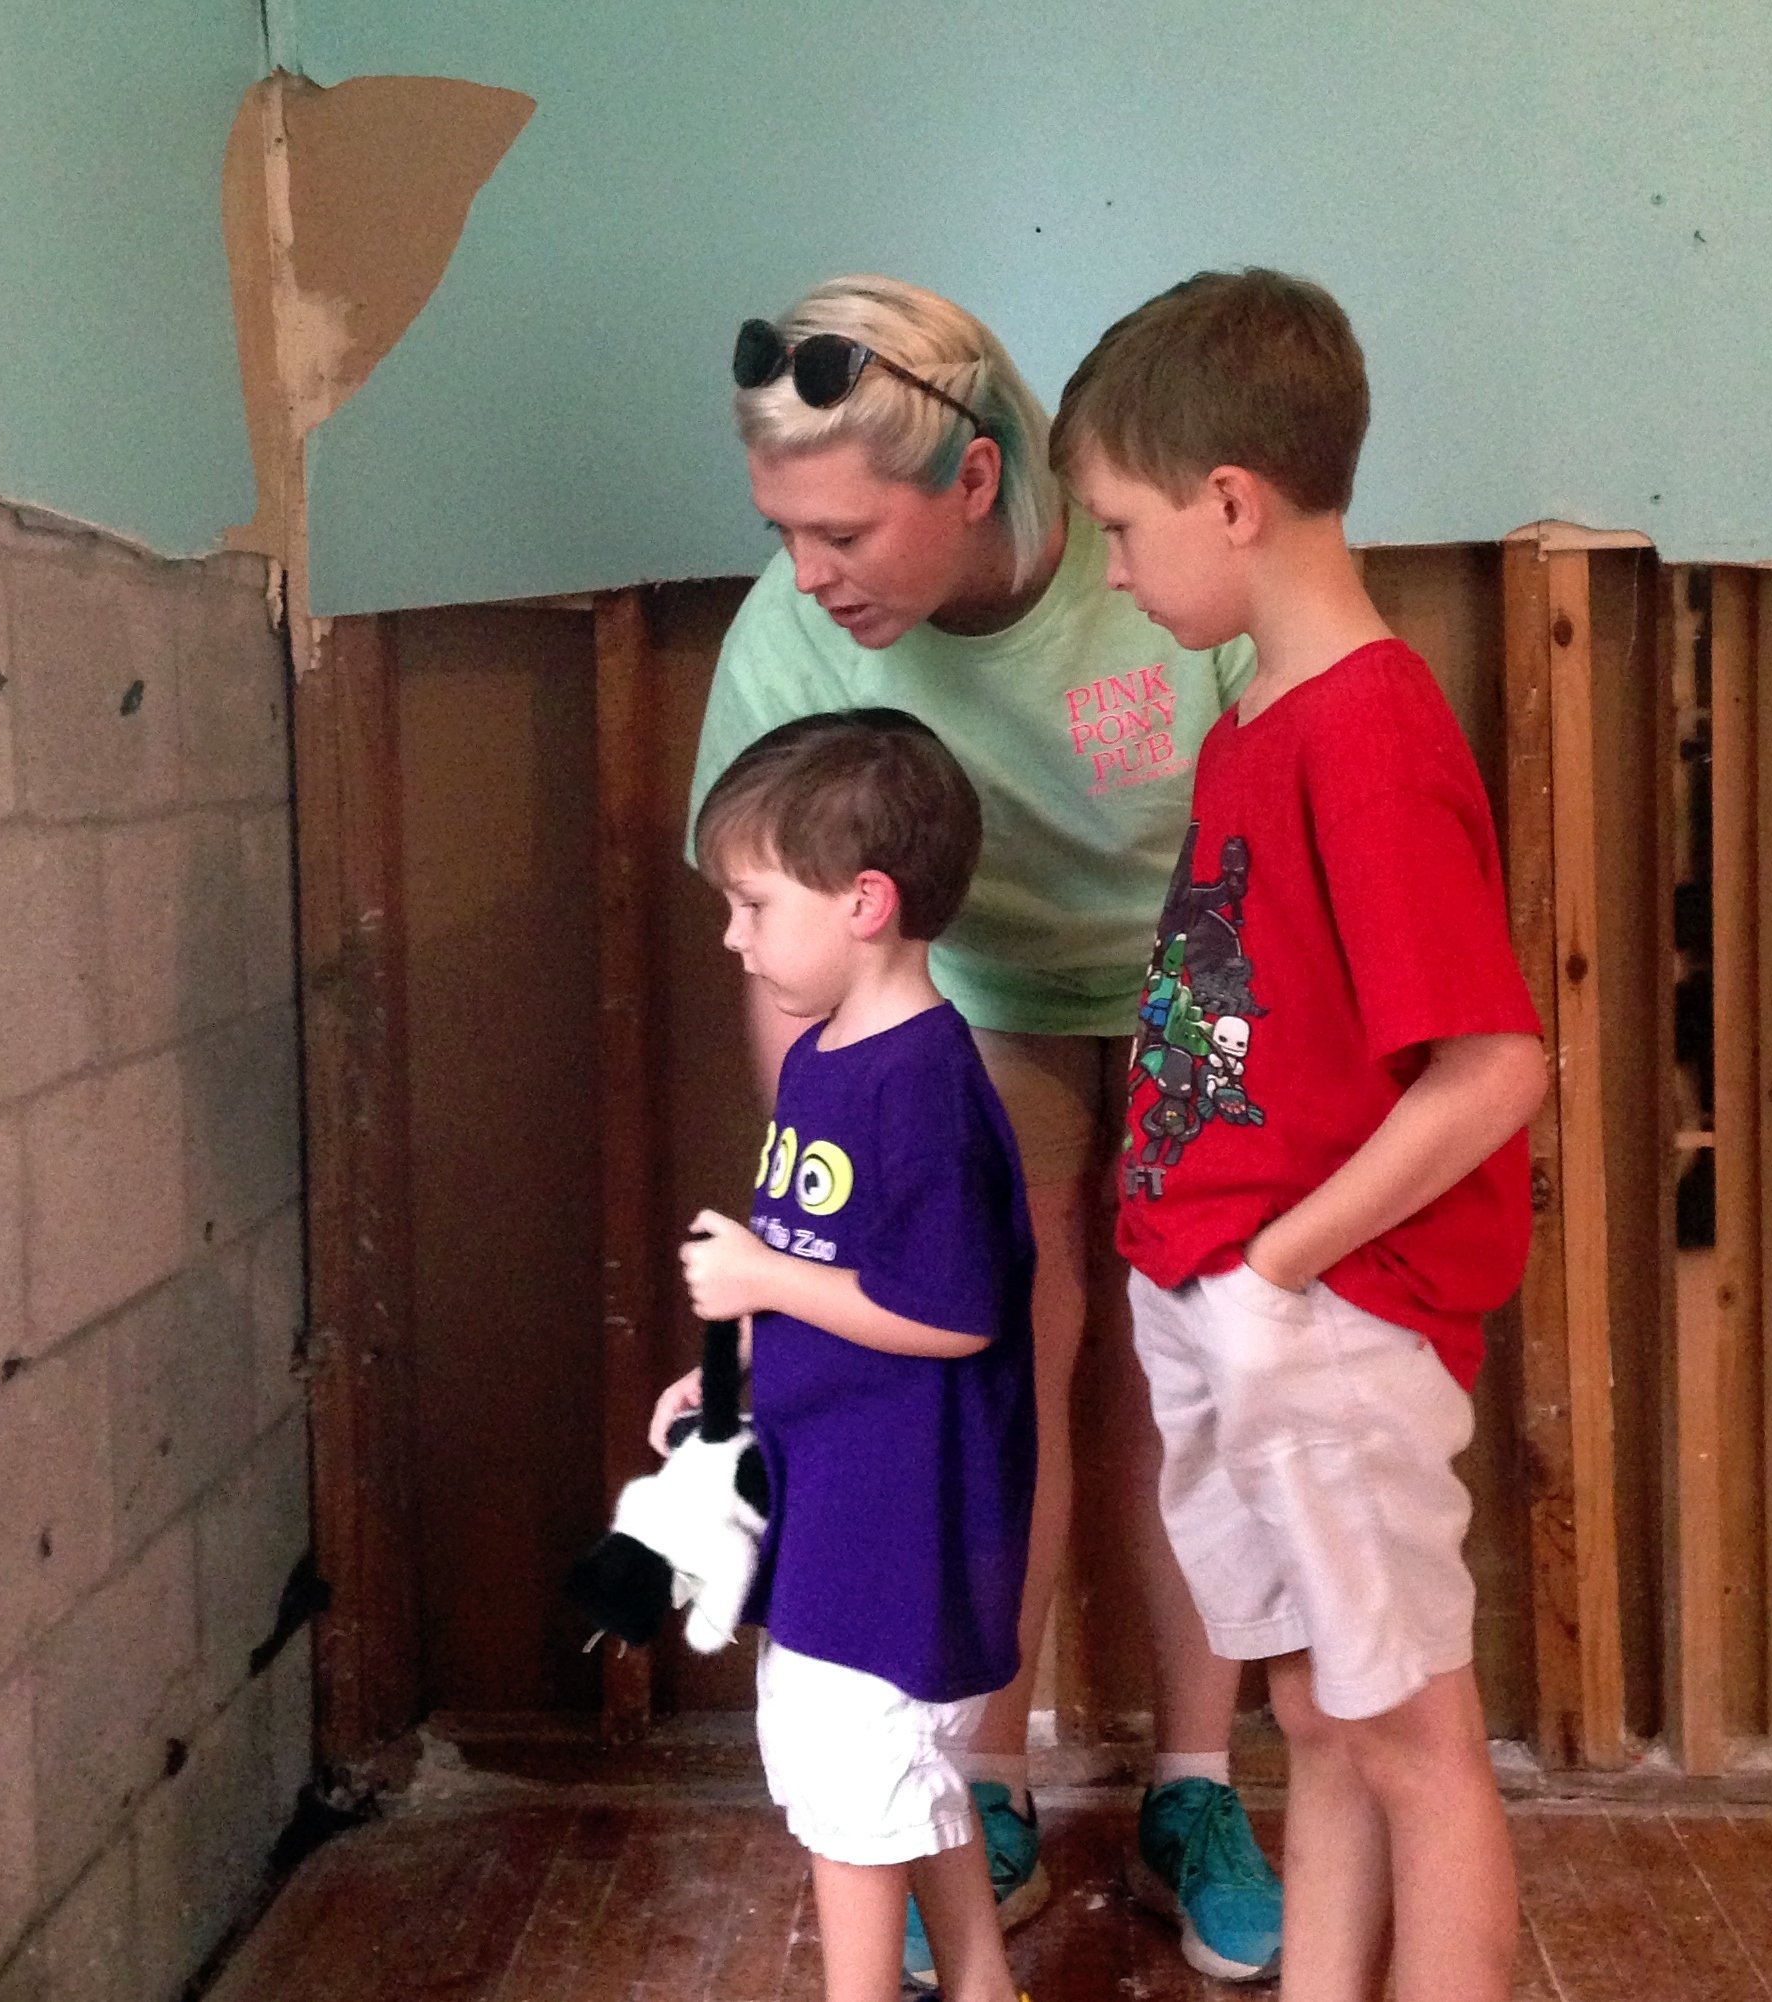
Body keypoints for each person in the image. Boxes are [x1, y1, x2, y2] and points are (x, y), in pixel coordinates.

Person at [689, 275, 1282, 1987]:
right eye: (782, 530)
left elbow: (1273, 824)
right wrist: (815, 1199)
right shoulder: (785, 635)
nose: (811, 573)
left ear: (969, 481)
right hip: (968, 1002)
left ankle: (1190, 1784)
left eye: (843, 530)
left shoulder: (1135, 552)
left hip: (1192, 966)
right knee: (997, 1354)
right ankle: (981, 1775)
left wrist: (1237, 1092)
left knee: (1190, 1353)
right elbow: (783, 960)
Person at [1050, 266, 1547, 2002]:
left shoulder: (1371, 732)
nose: (1107, 567)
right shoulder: (1253, 717)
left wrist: (1277, 1260)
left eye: (1118, 525)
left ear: (1231, 503)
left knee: (1409, 1735)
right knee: (1315, 1719)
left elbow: (1492, 1067)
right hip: (1226, 1302)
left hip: (1321, 1315)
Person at [657, 709, 1037, 2002]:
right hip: (832, 1491)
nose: (733, 935)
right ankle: (981, 1985)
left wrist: (762, 1280)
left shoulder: (924, 1085)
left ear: (864, 900)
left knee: (844, 1783)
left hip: (896, 1523)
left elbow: (954, 1308)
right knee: (896, 1780)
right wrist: (731, 1370)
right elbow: (824, 1260)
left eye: (754, 903)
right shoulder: (823, 1058)